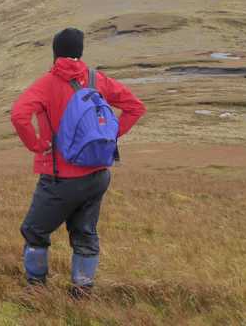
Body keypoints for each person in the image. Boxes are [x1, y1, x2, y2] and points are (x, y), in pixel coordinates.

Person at [11, 27, 146, 297]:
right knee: (85, 232)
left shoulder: (46, 84)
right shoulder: (98, 80)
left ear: (55, 53)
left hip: (61, 177)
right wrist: (110, 135)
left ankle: (36, 290)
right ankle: (82, 291)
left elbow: (19, 115)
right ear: (80, 53)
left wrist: (37, 145)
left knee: (34, 231)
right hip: (98, 175)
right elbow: (136, 107)